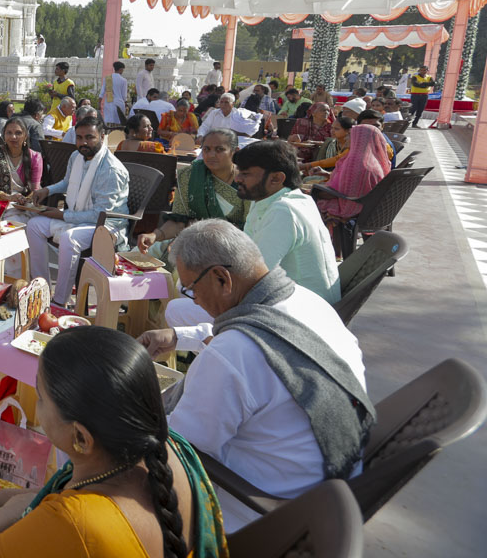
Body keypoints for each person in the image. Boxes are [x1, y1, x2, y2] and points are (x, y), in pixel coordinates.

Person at [0, 327, 227, 558]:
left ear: (81, 437)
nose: (37, 405)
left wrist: (8, 512)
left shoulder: (75, 522)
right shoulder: (168, 447)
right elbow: (54, 497)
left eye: (41, 397)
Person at [138, 221, 371, 531]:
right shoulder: (307, 302)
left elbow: (176, 450)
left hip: (258, 510)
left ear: (222, 278)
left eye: (192, 289)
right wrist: (179, 337)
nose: (195, 301)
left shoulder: (232, 353)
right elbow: (269, 340)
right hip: (330, 487)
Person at [27, 116, 130, 306]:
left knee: (69, 238)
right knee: (33, 225)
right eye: (79, 137)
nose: (83, 142)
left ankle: (60, 301)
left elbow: (101, 214)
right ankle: (41, 289)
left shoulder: (110, 169)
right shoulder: (76, 156)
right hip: (78, 218)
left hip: (107, 226)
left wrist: (62, 214)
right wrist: (47, 190)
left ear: (102, 136)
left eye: (89, 137)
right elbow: (67, 182)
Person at [235, 140, 340, 302]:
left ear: (276, 178)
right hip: (288, 302)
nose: (237, 179)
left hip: (302, 312)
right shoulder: (274, 200)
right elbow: (246, 254)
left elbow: (254, 277)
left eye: (246, 174)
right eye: (238, 172)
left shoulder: (284, 211)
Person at [136, 129, 250, 261]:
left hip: (232, 247)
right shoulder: (189, 176)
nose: (211, 155)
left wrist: (199, 236)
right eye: (206, 149)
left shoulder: (247, 182)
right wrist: (155, 235)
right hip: (191, 239)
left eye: (219, 150)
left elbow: (249, 229)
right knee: (138, 255)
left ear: (234, 152)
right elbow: (179, 220)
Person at [314, 124, 391, 236]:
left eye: (350, 135)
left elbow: (341, 192)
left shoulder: (357, 162)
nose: (347, 138)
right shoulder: (372, 159)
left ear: (360, 139)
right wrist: (326, 174)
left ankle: (330, 247)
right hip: (371, 208)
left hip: (355, 208)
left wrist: (313, 192)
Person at [0, 116, 43, 220]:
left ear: (25, 136)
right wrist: (7, 197)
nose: (13, 137)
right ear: (4, 135)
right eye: (9, 133)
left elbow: (35, 189)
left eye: (18, 133)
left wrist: (23, 200)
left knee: (13, 222)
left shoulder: (35, 157)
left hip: (20, 204)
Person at [102, 61, 128, 127]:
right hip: (119, 103)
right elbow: (124, 96)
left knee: (108, 122)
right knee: (118, 123)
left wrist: (99, 103)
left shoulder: (107, 78)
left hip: (109, 102)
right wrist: (126, 103)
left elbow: (102, 92)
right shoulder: (123, 80)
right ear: (121, 69)